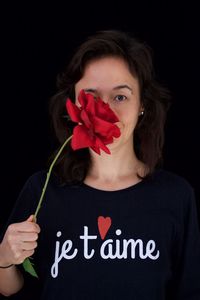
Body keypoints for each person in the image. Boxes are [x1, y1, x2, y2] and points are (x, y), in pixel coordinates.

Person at [0, 30, 200, 299]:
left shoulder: (176, 196)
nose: (105, 109)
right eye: (91, 97)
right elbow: (8, 288)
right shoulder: (42, 189)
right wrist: (4, 258)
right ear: (73, 104)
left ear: (142, 105)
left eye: (120, 96)